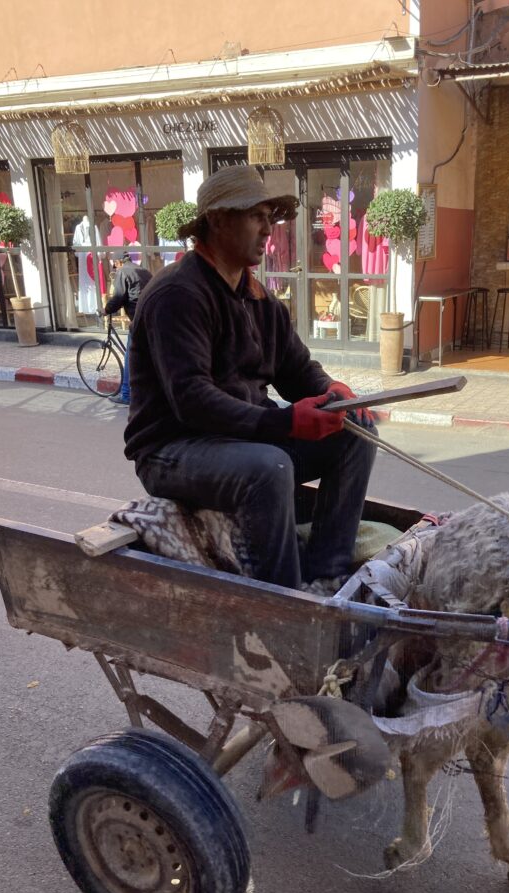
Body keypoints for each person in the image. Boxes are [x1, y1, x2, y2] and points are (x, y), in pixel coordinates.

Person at [123, 164, 377, 590]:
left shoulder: (258, 297)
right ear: (219, 221)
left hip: (241, 440)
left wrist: (332, 391)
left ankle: (327, 573)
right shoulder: (178, 294)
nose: (268, 230)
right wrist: (284, 422)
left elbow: (296, 369)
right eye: (256, 217)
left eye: (269, 219)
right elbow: (192, 398)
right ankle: (284, 596)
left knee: (355, 432)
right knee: (269, 466)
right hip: (173, 449)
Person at [104, 252, 152, 405]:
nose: (115, 268)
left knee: (130, 357)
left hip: (138, 321)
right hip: (152, 317)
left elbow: (118, 297)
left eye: (115, 265)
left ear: (118, 262)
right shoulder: (143, 271)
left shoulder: (122, 272)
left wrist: (105, 310)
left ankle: (126, 395)